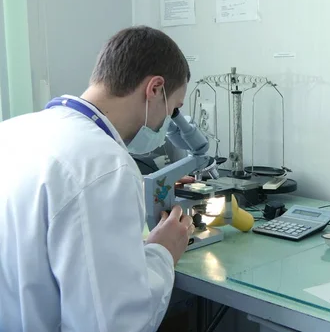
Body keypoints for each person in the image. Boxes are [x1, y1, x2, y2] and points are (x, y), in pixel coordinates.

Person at [0, 26, 202, 331]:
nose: (167, 123)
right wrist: (162, 252)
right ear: (155, 89)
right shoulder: (106, 167)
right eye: (173, 109)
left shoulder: (13, 131)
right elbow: (114, 322)